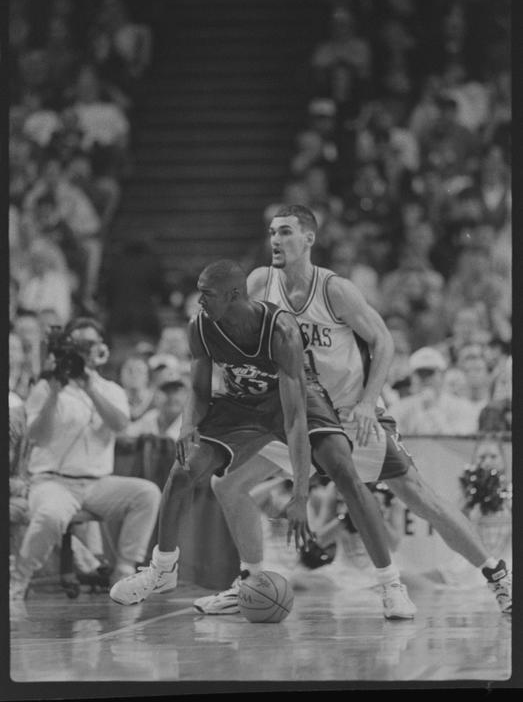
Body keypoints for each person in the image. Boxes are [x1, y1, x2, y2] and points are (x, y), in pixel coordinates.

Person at [193, 206, 511, 616]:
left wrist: (366, 404)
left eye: (285, 232)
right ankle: (250, 582)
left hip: (346, 413)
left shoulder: (335, 291)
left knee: (417, 494)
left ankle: (496, 576)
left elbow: (384, 342)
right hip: (292, 415)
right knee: (227, 484)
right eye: (272, 232)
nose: (275, 240)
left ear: (309, 238)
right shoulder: (259, 282)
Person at [109, 259, 415, 619]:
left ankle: (390, 584)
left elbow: (294, 420)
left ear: (234, 295)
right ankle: (163, 569)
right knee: (183, 471)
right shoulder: (200, 326)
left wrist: (300, 495)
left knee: (342, 469)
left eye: (207, 294)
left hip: (295, 400)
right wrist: (187, 425)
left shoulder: (280, 330)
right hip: (241, 403)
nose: (200, 301)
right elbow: (199, 389)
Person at [10, 317, 162, 600]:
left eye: (89, 343)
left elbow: (120, 424)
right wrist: (54, 393)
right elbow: (36, 436)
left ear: (100, 348)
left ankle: (124, 571)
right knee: (50, 516)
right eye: (77, 344)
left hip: (97, 484)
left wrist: (90, 387)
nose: (83, 349)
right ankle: (20, 578)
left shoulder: (110, 389)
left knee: (147, 493)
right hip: (52, 482)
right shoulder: (46, 387)